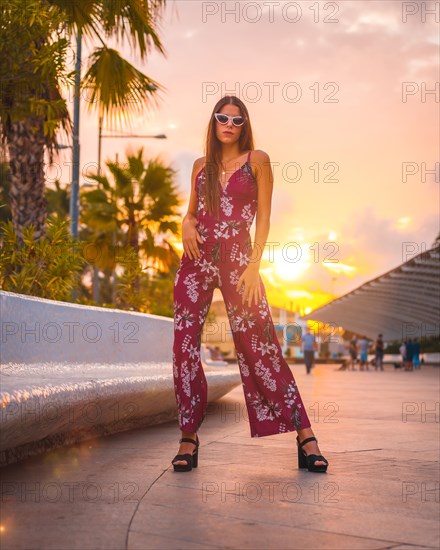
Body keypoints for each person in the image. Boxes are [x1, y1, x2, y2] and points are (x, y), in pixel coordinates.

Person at [171, 95, 328, 473]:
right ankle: (188, 437)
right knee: (183, 343)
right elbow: (191, 214)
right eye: (221, 118)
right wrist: (185, 224)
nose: (228, 124)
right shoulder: (199, 166)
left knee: (260, 345)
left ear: (245, 125)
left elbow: (265, 220)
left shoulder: (258, 161)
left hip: (240, 261)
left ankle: (306, 436)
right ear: (213, 122)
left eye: (236, 120)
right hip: (196, 260)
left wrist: (255, 265)